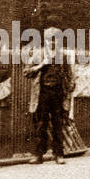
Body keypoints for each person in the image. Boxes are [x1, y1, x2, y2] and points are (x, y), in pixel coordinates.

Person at [24, 17, 76, 165]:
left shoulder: (64, 56)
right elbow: (27, 72)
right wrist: (41, 65)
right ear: (45, 40)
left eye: (55, 40)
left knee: (58, 124)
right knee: (41, 124)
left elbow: (71, 76)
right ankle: (38, 155)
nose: (52, 42)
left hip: (58, 93)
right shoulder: (38, 54)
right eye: (49, 39)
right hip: (42, 93)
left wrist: (68, 92)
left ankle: (59, 154)